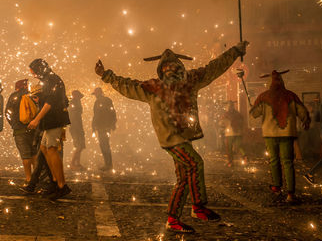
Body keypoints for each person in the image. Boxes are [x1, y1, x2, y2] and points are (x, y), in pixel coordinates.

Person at [95, 40, 248, 233]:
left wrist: (234, 52)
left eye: (173, 67)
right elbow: (126, 85)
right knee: (195, 164)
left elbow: (215, 67)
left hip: (180, 138)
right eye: (168, 68)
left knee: (184, 177)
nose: (171, 70)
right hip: (172, 139)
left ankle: (173, 220)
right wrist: (107, 75)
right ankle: (198, 207)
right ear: (163, 70)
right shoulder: (163, 85)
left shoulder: (178, 82)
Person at [250, 70, 310, 204]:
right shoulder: (291, 96)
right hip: (287, 133)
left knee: (274, 160)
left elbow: (254, 114)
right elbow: (303, 112)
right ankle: (290, 194)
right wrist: (305, 121)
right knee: (288, 162)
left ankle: (277, 186)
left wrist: (253, 107)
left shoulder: (263, 97)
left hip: (270, 134)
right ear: (282, 81)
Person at [27, 59, 71, 200]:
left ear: (40, 69)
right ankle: (54, 182)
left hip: (54, 120)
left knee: (51, 149)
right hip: (50, 121)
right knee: (45, 149)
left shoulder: (52, 79)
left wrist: (36, 119)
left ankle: (61, 186)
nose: (34, 75)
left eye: (34, 72)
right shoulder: (49, 79)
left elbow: (50, 103)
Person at [5, 79, 37, 182]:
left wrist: (14, 124)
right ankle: (37, 177)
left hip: (19, 131)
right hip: (32, 129)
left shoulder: (13, 97)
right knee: (34, 154)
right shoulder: (31, 96)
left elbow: (7, 113)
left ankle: (29, 178)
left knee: (25, 155)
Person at [92, 87, 116, 171]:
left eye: (95, 94)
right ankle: (108, 164)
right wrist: (112, 124)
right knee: (104, 145)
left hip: (103, 127)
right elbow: (113, 112)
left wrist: (93, 126)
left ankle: (108, 165)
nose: (95, 96)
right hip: (104, 126)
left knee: (104, 145)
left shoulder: (100, 101)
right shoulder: (106, 100)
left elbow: (96, 115)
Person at [220, 101, 246, 167]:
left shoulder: (226, 114)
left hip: (230, 133)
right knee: (238, 146)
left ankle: (230, 162)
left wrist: (222, 126)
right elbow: (242, 121)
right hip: (237, 133)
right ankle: (244, 156)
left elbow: (222, 123)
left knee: (229, 148)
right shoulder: (237, 114)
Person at [68, 90, 86, 171]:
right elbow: (73, 117)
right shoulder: (73, 103)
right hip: (75, 127)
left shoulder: (77, 102)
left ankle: (77, 164)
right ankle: (72, 164)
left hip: (78, 126)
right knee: (79, 146)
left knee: (80, 145)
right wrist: (76, 128)